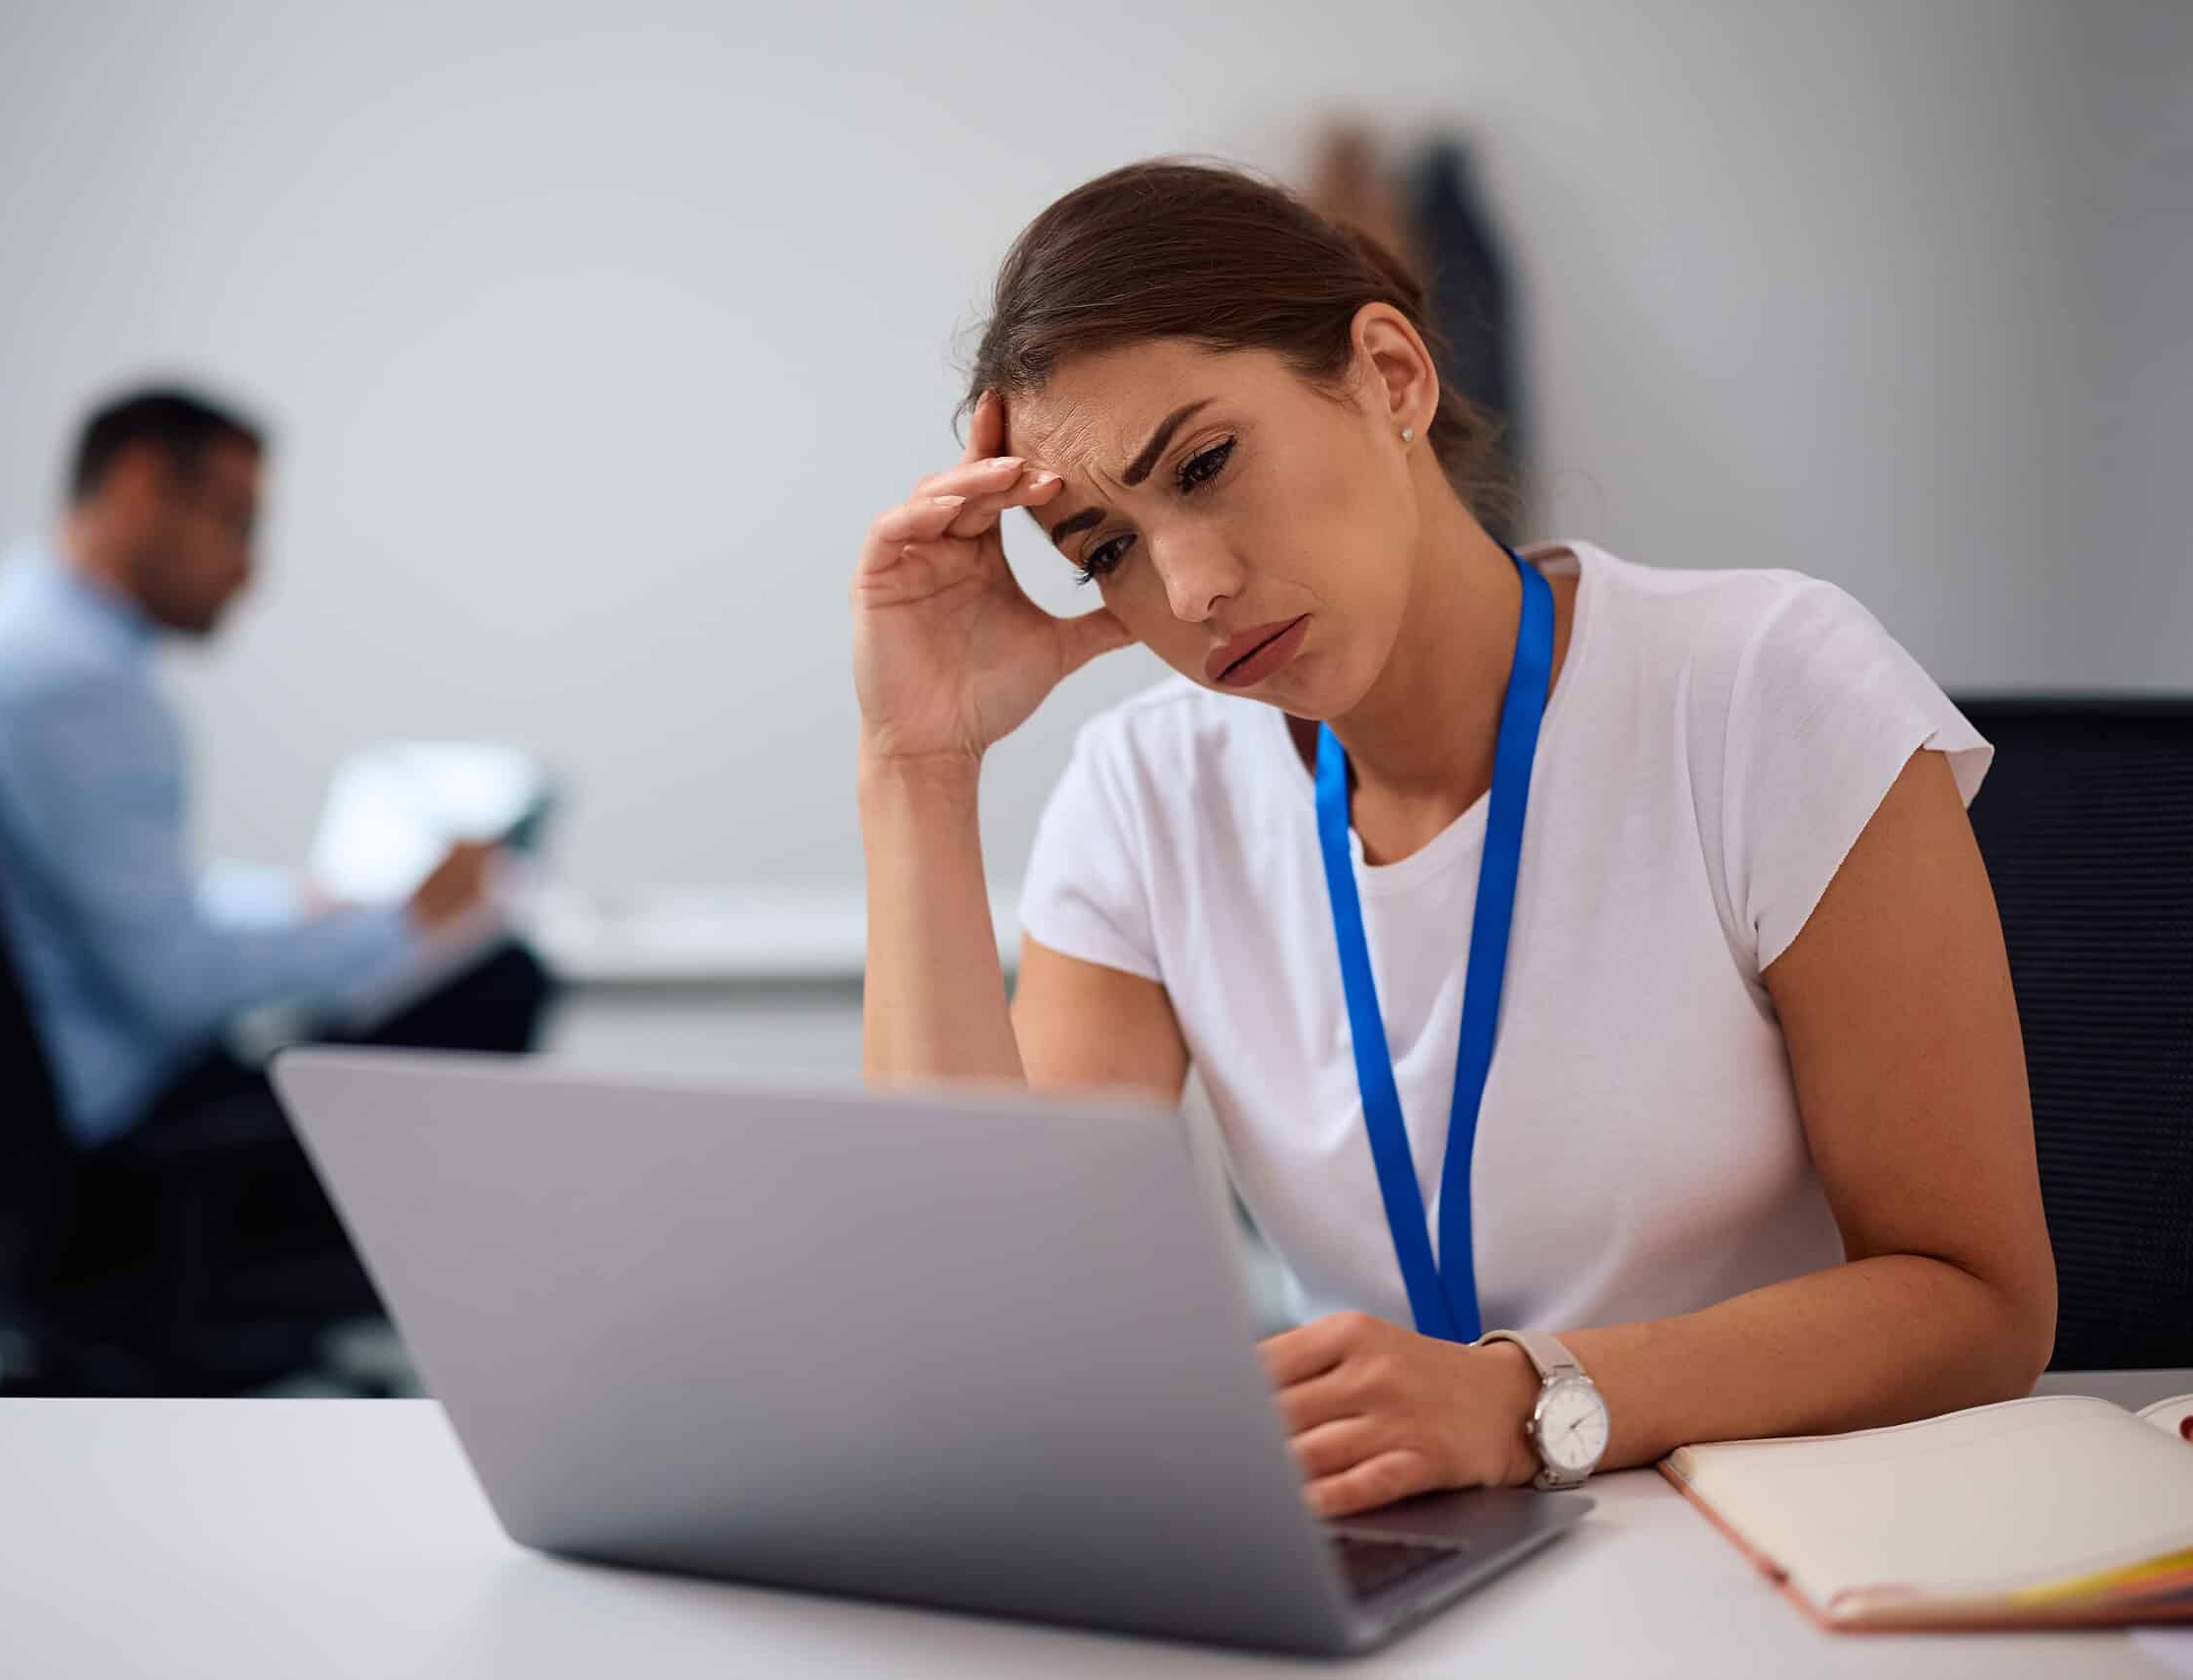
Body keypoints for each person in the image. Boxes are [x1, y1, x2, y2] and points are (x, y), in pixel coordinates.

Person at [850, 161, 2054, 1518]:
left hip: (1776, 1545)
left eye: (1203, 464)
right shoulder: (1145, 794)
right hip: (1406, 1554)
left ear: (1387, 373)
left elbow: (1980, 1303)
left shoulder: (1759, 687)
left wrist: (1520, 1394)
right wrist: (916, 762)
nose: (1186, 588)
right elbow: (983, 1314)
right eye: (1102, 549)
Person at [0, 386, 553, 1299]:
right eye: (234, 521)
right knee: (500, 977)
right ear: (140, 487)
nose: (249, 568)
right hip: (124, 1160)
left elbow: (111, 902)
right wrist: (406, 923)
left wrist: (300, 904)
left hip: (17, 1141)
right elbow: (178, 986)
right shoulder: (75, 681)